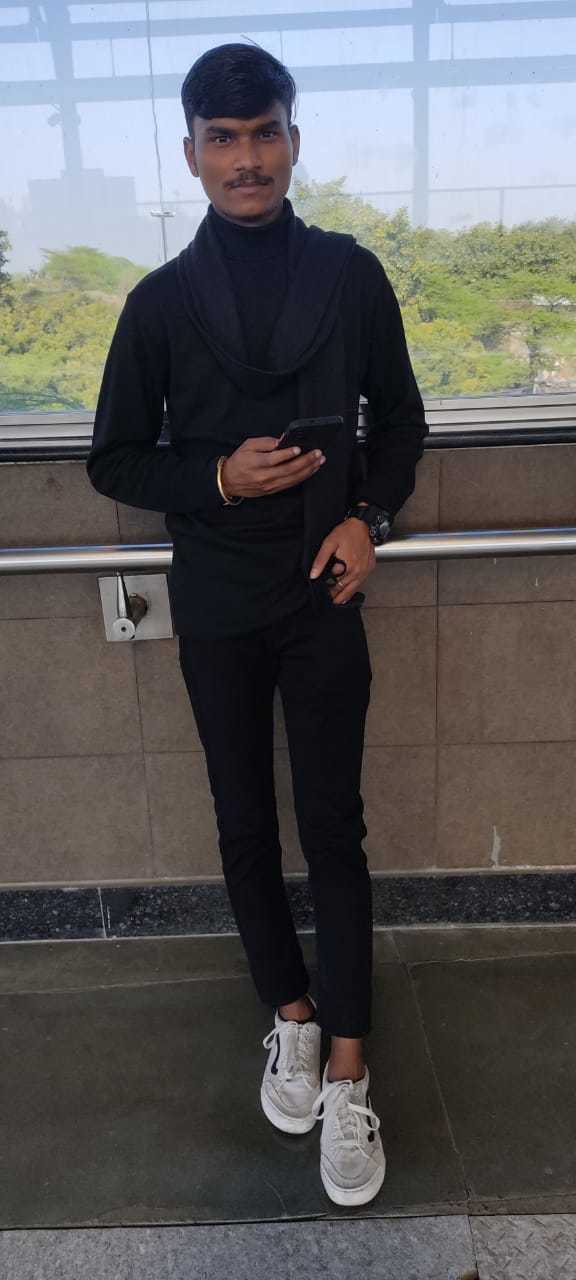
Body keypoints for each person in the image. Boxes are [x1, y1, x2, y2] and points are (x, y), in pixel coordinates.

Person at [86, 42, 428, 1208]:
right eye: (223, 139)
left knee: (334, 828)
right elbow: (113, 458)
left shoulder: (349, 275)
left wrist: (371, 518)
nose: (247, 158)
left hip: (324, 591)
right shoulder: (159, 303)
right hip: (219, 600)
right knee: (244, 823)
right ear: (190, 154)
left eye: (265, 133)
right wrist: (216, 478)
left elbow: (403, 422)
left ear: (293, 140)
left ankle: (349, 1070)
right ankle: (291, 1012)